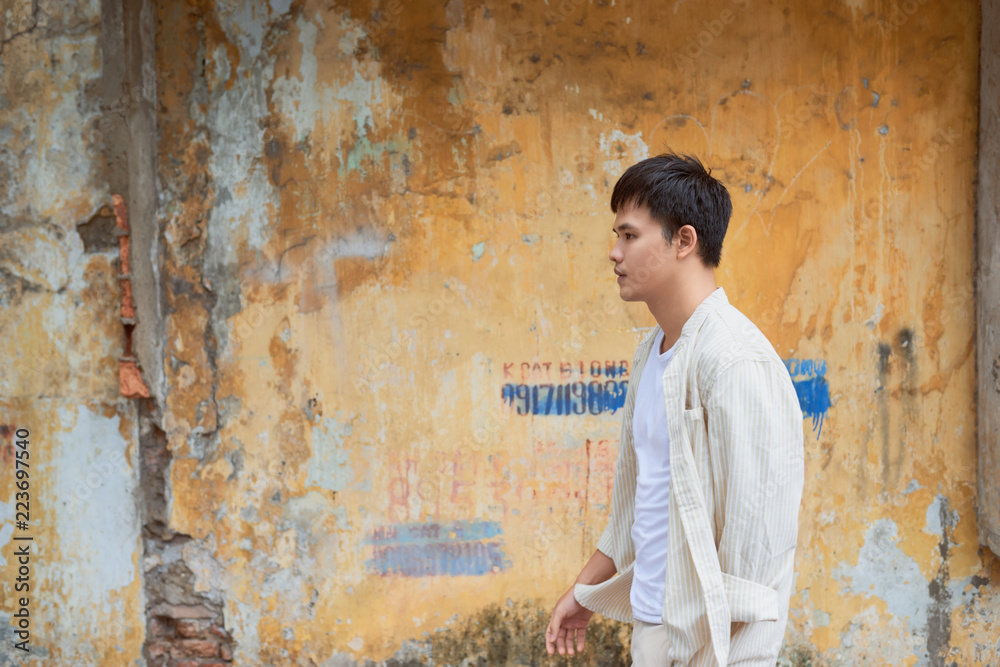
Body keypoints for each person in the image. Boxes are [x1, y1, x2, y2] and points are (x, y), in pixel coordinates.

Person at [544, 153, 805, 666]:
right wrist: (584, 591)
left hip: (715, 646)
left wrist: (719, 655)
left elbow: (759, 539)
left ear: (684, 240)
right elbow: (638, 505)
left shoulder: (734, 360)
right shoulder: (653, 353)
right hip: (654, 627)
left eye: (629, 236)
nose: (614, 253)